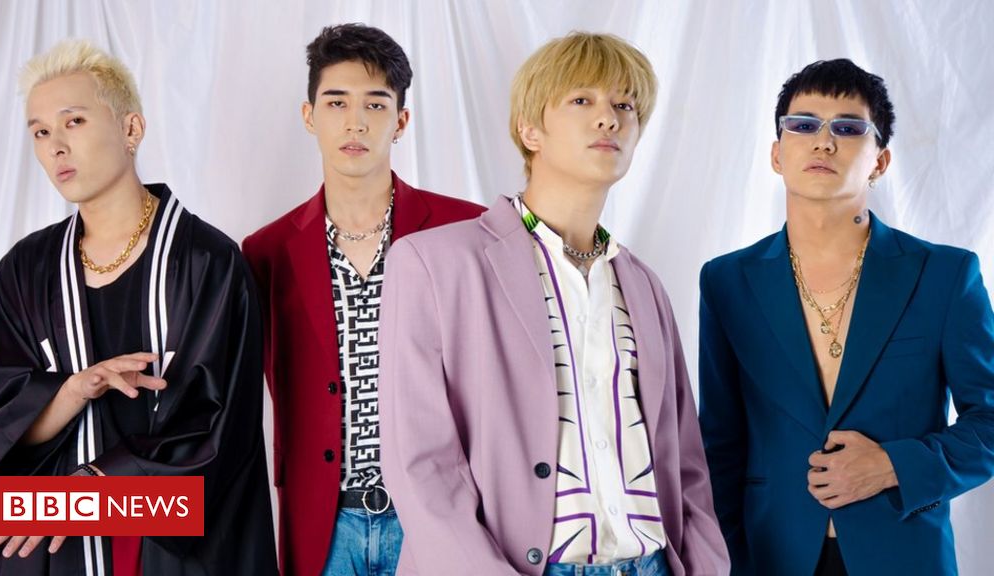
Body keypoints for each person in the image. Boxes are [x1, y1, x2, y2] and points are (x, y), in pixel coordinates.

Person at [379, 32, 729, 576]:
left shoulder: (645, 286)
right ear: (530, 130)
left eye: (624, 106)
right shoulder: (434, 264)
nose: (608, 118)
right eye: (582, 100)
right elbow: (422, 466)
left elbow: (686, 464)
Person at [0, 40, 277, 575]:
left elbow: (219, 435)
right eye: (40, 132)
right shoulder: (26, 270)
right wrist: (72, 390)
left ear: (131, 129)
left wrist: (91, 492)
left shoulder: (207, 262)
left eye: (74, 121)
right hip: (56, 553)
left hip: (168, 555)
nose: (56, 147)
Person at [698, 58, 994, 575]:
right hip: (770, 557)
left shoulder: (945, 275)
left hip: (904, 557)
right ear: (777, 154)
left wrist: (893, 465)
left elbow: (988, 422)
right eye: (803, 125)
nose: (823, 142)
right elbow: (719, 443)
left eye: (848, 128)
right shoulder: (727, 281)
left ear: (880, 161)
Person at [242, 23, 484, 576]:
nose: (355, 122)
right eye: (336, 102)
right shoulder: (267, 252)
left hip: (438, 519)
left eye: (375, 104)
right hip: (326, 525)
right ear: (310, 116)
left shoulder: (463, 229)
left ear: (401, 121)